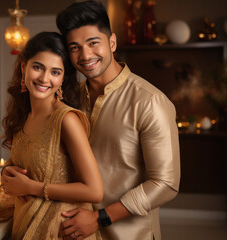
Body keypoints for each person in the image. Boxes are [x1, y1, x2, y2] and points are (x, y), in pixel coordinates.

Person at [56, 1, 181, 240]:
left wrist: (100, 217)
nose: (85, 55)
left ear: (112, 42)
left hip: (131, 234)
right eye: (74, 47)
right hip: (75, 231)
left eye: (93, 43)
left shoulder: (149, 101)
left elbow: (165, 184)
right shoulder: (69, 98)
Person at [0, 31, 103, 240]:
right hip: (26, 224)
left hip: (59, 230)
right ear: (23, 67)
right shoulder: (23, 115)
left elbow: (94, 191)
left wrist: (32, 188)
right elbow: (26, 163)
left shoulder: (66, 119)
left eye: (55, 72)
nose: (45, 79)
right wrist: (7, 171)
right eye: (38, 67)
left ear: (63, 78)